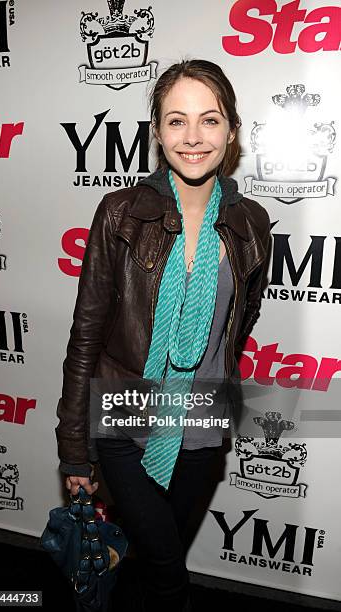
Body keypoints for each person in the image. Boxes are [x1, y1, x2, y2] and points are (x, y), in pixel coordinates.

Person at [55, 59, 271, 612]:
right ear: (157, 133)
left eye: (210, 120)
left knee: (153, 566)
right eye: (176, 121)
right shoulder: (121, 213)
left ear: (231, 130)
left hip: (201, 424)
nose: (193, 137)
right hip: (126, 419)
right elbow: (86, 339)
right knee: (170, 573)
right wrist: (75, 452)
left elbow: (238, 327)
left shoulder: (251, 224)